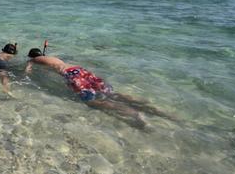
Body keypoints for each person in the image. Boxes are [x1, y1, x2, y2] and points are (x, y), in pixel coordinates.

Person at [26, 45, 170, 128]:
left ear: (32, 55)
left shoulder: (34, 59)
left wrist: (27, 72)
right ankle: (146, 106)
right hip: (80, 70)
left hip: (71, 75)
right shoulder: (53, 58)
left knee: (90, 101)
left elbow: (28, 69)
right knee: (111, 94)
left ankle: (133, 113)